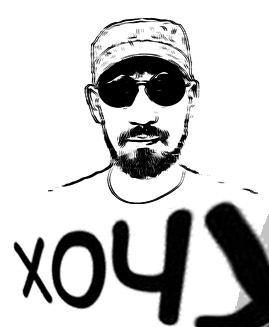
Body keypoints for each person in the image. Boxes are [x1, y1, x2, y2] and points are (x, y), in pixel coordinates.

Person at [53, 17, 256, 207]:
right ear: (95, 104)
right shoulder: (52, 214)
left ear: (191, 98)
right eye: (120, 91)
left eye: (163, 90)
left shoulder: (250, 213)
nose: (143, 116)